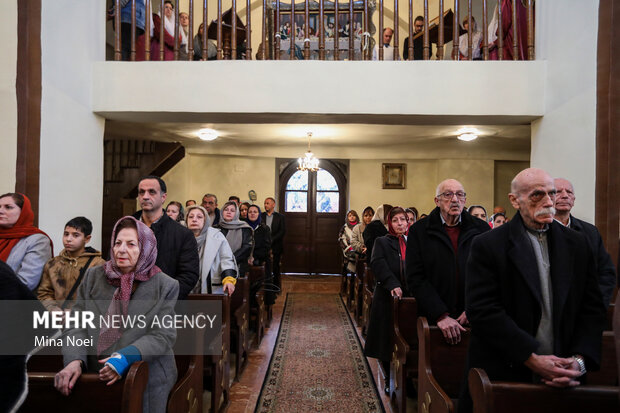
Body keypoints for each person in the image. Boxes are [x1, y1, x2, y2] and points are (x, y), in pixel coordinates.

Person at [458, 168, 607, 413]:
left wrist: (578, 362)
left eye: (552, 193)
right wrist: (531, 357)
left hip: (564, 375)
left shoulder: (578, 243)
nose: (549, 202)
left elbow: (592, 307)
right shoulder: (489, 245)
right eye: (538, 195)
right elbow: (483, 310)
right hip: (505, 370)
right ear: (515, 200)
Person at [55, 216, 179, 413]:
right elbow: (76, 323)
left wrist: (124, 357)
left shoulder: (165, 285)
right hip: (98, 374)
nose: (121, 250)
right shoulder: (94, 276)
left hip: (146, 375)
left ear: (145, 248)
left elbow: (163, 335)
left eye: (131, 244)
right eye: (118, 243)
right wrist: (74, 360)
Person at [406, 179, 490, 344]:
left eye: (460, 195)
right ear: (437, 201)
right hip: (434, 318)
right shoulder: (419, 231)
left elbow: (489, 275)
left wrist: (473, 308)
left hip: (475, 317)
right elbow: (415, 278)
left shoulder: (482, 230)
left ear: (465, 200)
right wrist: (440, 315)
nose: (454, 199)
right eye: (448, 194)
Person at [364, 207, 409, 387]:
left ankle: (405, 377)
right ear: (389, 223)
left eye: (403, 220)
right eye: (395, 220)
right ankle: (388, 376)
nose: (400, 223)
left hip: (408, 296)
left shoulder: (412, 241)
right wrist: (393, 284)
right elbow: (378, 263)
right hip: (387, 295)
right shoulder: (382, 241)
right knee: (385, 338)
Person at [133, 176, 199, 299]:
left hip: (165, 306)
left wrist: (162, 297)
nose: (145, 196)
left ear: (163, 197)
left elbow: (188, 276)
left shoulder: (182, 234)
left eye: (152, 192)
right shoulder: (126, 228)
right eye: (142, 192)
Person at [553, 177, 617, 306]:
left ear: (574, 200)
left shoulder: (590, 232)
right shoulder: (540, 230)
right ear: (548, 198)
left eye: (569, 192)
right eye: (558, 192)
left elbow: (606, 272)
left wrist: (597, 306)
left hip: (585, 311)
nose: (565, 196)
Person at [37, 217, 105, 311]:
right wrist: (51, 308)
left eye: (75, 235)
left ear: (87, 238)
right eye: (66, 234)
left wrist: (76, 312)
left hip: (83, 321)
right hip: (57, 320)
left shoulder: (98, 264)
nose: (69, 239)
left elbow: (100, 297)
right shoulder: (53, 264)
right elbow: (44, 292)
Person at [0, 193, 53, 290]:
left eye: (8, 207)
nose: (0, 211)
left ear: (23, 212)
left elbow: (26, 282)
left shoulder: (37, 240)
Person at [186, 205, 237, 295]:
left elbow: (226, 259)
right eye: (190, 217)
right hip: (186, 287)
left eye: (199, 217)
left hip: (211, 287)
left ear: (205, 221)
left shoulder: (217, 236)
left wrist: (228, 280)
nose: (194, 219)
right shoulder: (180, 237)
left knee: (209, 308)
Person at [216, 201, 253, 277]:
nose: (229, 212)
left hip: (238, 265)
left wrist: (229, 260)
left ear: (236, 213)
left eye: (232, 210)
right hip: (216, 266)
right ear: (222, 212)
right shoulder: (215, 228)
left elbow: (246, 248)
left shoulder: (244, 228)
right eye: (226, 210)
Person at [262, 197, 286, 288]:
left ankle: (276, 287)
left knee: (276, 267)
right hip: (263, 246)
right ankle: (266, 287)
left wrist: (272, 240)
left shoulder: (280, 217)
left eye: (267, 203)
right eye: (265, 203)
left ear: (273, 205)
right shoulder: (261, 216)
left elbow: (282, 231)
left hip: (276, 246)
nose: (265, 205)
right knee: (265, 268)